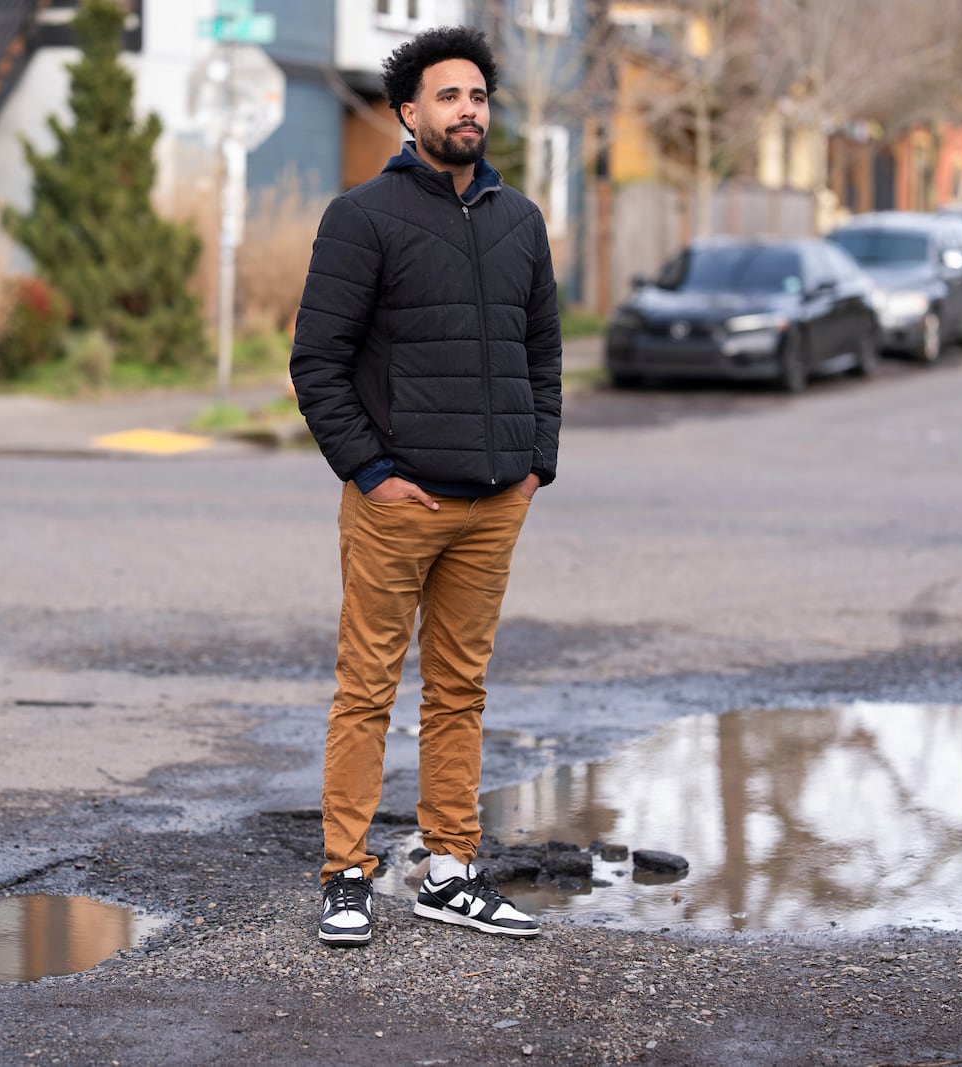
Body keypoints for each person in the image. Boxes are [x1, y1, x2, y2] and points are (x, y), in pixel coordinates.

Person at [289, 25, 562, 947]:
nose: (468, 109)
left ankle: (450, 868)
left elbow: (544, 357)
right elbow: (316, 362)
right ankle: (345, 873)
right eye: (449, 96)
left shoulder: (521, 221)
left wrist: (535, 462)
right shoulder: (362, 216)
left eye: (479, 95)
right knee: (366, 686)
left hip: (494, 504)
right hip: (399, 501)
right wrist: (370, 472)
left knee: (460, 691)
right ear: (409, 113)